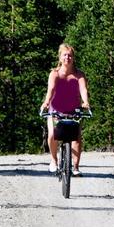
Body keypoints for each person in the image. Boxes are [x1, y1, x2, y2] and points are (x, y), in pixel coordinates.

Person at [40, 43, 90, 174]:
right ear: (60, 57)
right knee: (52, 134)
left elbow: (83, 89)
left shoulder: (79, 75)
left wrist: (85, 102)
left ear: (73, 58)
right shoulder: (54, 74)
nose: (67, 58)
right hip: (55, 109)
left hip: (74, 110)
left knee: (77, 137)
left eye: (70, 55)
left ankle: (76, 167)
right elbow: (50, 90)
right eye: (65, 55)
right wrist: (46, 102)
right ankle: (54, 160)